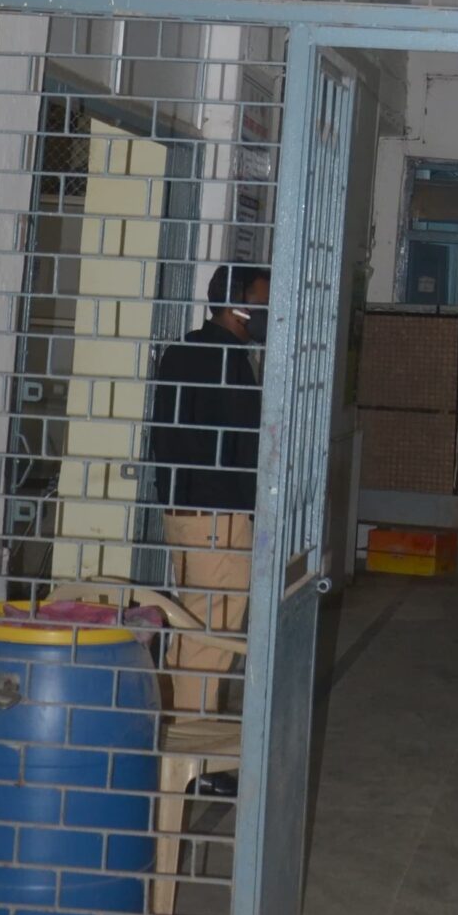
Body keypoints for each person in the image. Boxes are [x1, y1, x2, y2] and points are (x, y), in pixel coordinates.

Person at [149, 263, 269, 716]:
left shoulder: (183, 350)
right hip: (219, 521)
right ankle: (189, 739)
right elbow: (243, 448)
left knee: (195, 627)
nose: (267, 310)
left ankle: (179, 722)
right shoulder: (229, 362)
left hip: (182, 514)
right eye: (262, 301)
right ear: (238, 305)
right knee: (210, 639)